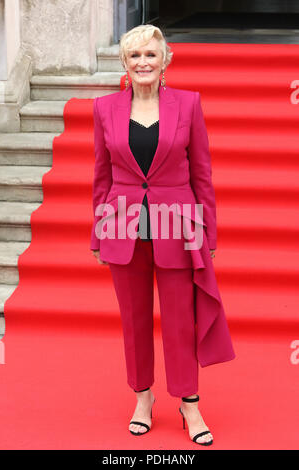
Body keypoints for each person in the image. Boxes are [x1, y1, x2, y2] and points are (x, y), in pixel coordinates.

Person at [90, 24, 235, 446]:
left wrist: (208, 233)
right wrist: (99, 233)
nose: (143, 63)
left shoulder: (188, 105)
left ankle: (189, 403)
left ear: (165, 59)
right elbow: (101, 175)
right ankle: (142, 396)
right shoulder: (104, 109)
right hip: (122, 226)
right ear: (124, 63)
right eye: (134, 56)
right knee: (134, 321)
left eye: (151, 54)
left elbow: (202, 173)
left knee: (180, 323)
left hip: (179, 226)